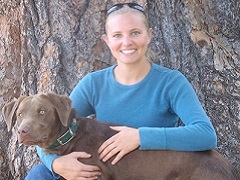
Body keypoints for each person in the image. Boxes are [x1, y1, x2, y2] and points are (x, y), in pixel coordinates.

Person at [25, 3, 217, 180]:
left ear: (149, 35)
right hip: (107, 173)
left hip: (152, 172)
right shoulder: (94, 83)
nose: (127, 42)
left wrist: (140, 137)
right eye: (117, 35)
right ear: (107, 41)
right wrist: (56, 164)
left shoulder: (171, 82)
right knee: (40, 173)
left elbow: (205, 135)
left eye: (135, 33)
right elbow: (51, 128)